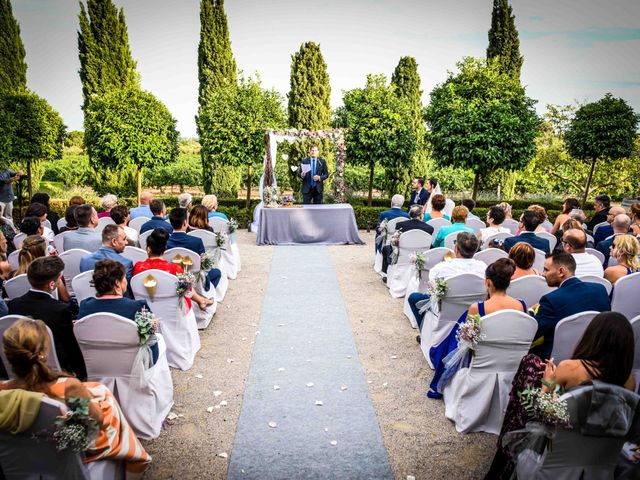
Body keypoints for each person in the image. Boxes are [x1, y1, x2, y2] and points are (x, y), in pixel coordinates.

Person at [486, 311, 636, 479]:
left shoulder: (570, 368)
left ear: (593, 337)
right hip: (599, 470)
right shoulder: (629, 381)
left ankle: (501, 465)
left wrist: (547, 382)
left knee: (530, 366)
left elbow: (542, 413)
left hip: (555, 462)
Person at [0, 318, 151, 475]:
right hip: (73, 451)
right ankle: (134, 457)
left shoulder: (3, 390)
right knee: (109, 409)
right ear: (43, 353)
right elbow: (97, 423)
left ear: (8, 355)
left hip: (24, 457)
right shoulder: (69, 386)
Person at [427, 258, 526, 399]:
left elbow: (463, 341)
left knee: (456, 332)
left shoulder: (477, 308)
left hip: (481, 357)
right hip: (508, 358)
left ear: (488, 282)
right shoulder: (521, 305)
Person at [8, 256, 86, 380]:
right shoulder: (60, 309)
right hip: (52, 369)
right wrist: (82, 374)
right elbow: (70, 348)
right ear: (51, 285)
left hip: (22, 367)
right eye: (59, 279)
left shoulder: (14, 304)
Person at [530, 251, 611, 360]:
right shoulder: (600, 289)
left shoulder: (551, 300)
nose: (542, 274)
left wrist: (530, 310)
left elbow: (532, 333)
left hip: (558, 360)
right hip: (596, 354)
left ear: (561, 272)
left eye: (546, 270)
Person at [78, 259, 158, 364]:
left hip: (96, 364)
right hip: (132, 365)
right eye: (124, 277)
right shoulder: (137, 307)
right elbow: (152, 346)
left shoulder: (85, 306)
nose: (126, 280)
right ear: (117, 283)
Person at [407, 232, 486, 332]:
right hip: (473, 310)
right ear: (475, 250)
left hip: (444, 311)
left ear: (456, 248)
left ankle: (424, 332)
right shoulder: (483, 267)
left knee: (414, 297)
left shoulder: (441, 267)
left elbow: (431, 289)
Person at [133, 228, 214, 311]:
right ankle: (201, 300)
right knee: (186, 286)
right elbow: (187, 291)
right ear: (165, 247)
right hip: (171, 310)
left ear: (148, 249)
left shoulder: (138, 267)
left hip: (145, 308)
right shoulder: (174, 269)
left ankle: (201, 300)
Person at [167, 208, 222, 288]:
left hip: (172, 277)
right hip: (195, 281)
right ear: (185, 222)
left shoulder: (164, 242)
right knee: (217, 273)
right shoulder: (197, 242)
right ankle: (207, 293)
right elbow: (203, 264)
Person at [380, 205, 433, 275]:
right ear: (421, 215)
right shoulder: (429, 228)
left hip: (402, 254)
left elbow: (396, 239)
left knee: (385, 248)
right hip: (420, 255)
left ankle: (385, 274)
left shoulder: (400, 225)